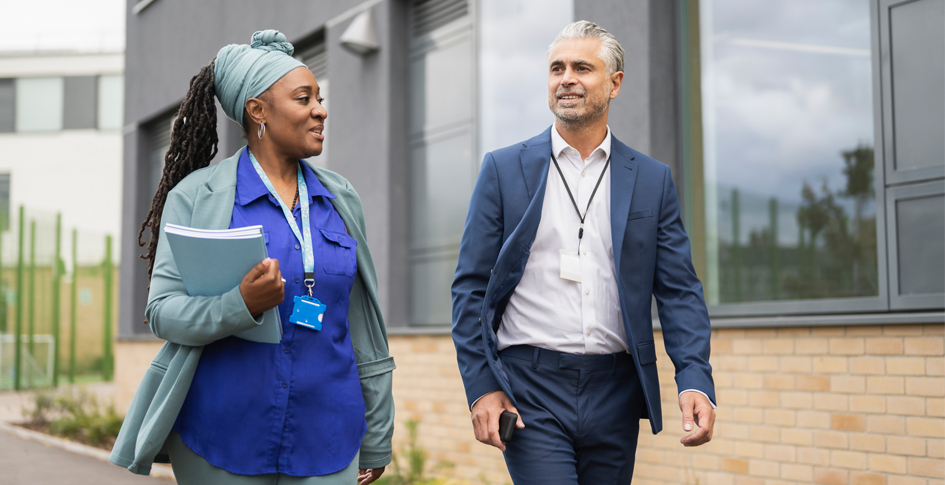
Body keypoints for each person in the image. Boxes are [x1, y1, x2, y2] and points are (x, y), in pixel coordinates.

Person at [109, 30, 395, 485]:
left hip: (329, 435)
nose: (321, 109)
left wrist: (378, 432)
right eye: (304, 99)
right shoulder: (197, 197)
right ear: (257, 110)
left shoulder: (341, 199)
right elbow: (162, 311)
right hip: (220, 436)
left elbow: (363, 324)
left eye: (319, 98)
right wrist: (237, 305)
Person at [451, 21, 716, 484]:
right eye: (557, 68)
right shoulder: (503, 169)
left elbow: (679, 291)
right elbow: (470, 288)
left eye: (581, 68)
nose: (566, 78)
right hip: (530, 386)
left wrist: (694, 377)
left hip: (616, 388)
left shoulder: (652, 180)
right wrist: (482, 388)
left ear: (614, 83)